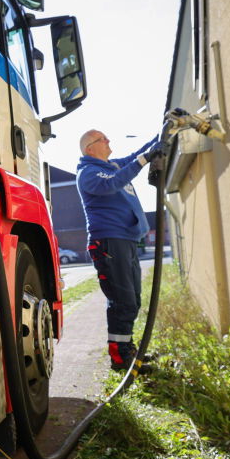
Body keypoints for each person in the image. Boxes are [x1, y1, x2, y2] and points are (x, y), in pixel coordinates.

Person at [76, 129, 165, 373]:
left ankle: (127, 350)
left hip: (124, 241)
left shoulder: (112, 165)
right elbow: (113, 183)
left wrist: (162, 134)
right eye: (102, 139)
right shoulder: (89, 173)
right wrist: (144, 160)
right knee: (122, 302)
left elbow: (138, 155)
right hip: (108, 243)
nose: (108, 140)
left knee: (132, 300)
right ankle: (120, 359)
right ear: (89, 148)